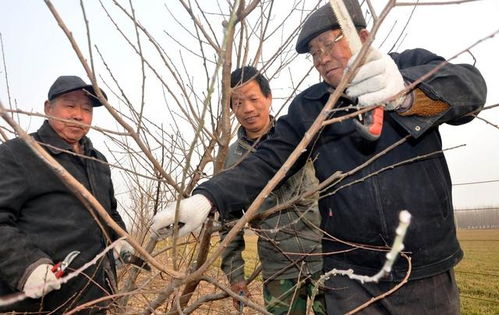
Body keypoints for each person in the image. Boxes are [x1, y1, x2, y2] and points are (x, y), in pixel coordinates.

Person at [151, 1, 487, 313]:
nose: (322, 57)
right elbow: (268, 160)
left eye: (330, 43)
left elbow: (471, 91)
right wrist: (209, 197)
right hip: (348, 276)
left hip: (425, 270)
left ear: (364, 37)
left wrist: (404, 94)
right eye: (314, 52)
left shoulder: (410, 66)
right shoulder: (313, 107)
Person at [0, 75, 133, 314]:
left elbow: (109, 211)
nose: (78, 115)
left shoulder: (97, 161)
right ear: (48, 108)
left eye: (87, 109)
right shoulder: (18, 153)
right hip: (40, 301)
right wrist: (27, 266)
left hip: (97, 295)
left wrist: (120, 239)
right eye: (70, 105)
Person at [219, 66, 325, 314]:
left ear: (268, 98)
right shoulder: (232, 159)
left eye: (254, 99)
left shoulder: (302, 138)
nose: (247, 109)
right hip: (278, 268)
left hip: (325, 255)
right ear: (231, 108)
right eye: (238, 102)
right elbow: (229, 223)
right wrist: (236, 275)